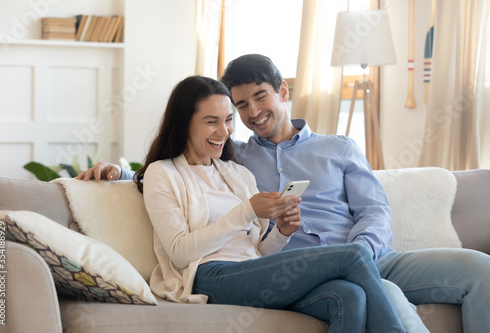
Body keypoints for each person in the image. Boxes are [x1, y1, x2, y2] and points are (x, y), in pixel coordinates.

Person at [78, 55, 490, 332]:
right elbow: (174, 170)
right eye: (240, 106)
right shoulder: (236, 157)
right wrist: (119, 171)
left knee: (478, 268)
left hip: (367, 256)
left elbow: (375, 212)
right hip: (290, 269)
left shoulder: (332, 149)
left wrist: (340, 244)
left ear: (283, 91)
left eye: (259, 97)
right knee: (352, 287)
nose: (251, 112)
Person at [124, 75, 408, 332]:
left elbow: (257, 250)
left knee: (349, 297)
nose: (223, 131)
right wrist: (246, 211)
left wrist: (282, 233)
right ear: (184, 122)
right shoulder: (163, 173)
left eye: (228, 120)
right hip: (209, 275)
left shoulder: (237, 173)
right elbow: (179, 252)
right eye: (211, 121)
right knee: (353, 254)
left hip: (252, 272)